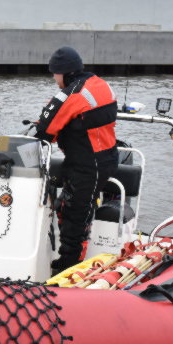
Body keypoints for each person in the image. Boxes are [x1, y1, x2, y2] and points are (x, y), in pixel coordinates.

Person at [34, 46, 119, 270]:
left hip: (88, 165)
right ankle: (68, 250)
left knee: (75, 214)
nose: (54, 78)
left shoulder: (72, 94)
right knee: (70, 205)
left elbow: (45, 131)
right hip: (104, 157)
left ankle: (70, 265)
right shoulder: (99, 83)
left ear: (64, 72)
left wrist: (50, 117)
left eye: (55, 73)